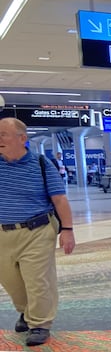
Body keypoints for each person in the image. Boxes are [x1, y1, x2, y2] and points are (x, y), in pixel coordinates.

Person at [0, 118, 76, 346]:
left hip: (37, 230)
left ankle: (40, 323)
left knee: (38, 280)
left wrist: (68, 229)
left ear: (22, 138)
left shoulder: (41, 164)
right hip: (2, 233)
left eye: (3, 134)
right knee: (11, 281)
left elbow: (59, 199)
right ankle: (27, 311)